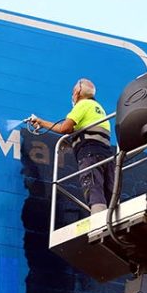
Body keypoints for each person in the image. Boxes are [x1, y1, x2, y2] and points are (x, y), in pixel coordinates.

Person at [30, 78, 115, 214]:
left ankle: (99, 227)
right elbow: (90, 135)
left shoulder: (82, 105)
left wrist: (41, 122)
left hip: (89, 156)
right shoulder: (98, 109)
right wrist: (71, 143)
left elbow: (65, 128)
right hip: (106, 156)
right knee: (110, 193)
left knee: (94, 190)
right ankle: (111, 223)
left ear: (78, 91)